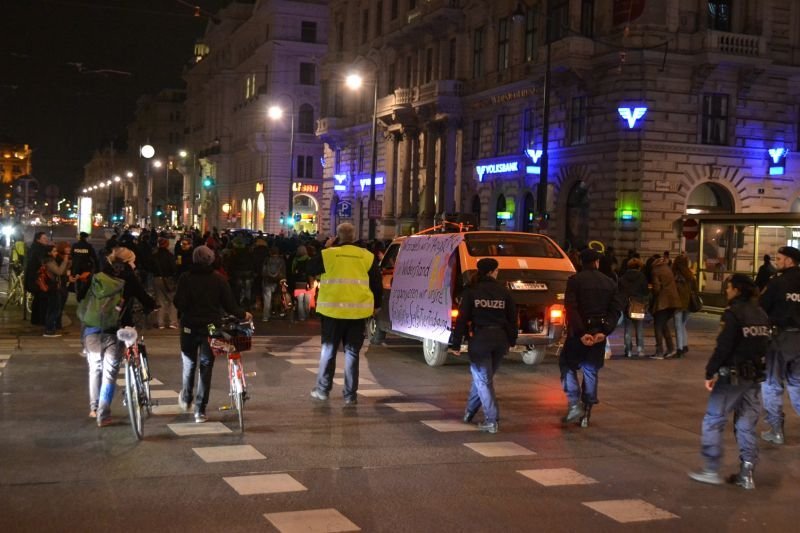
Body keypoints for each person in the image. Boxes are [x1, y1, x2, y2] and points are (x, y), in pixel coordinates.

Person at [689, 274, 769, 490]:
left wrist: (710, 372)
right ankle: (747, 472)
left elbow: (724, 346)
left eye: (729, 287)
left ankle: (711, 469)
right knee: (745, 424)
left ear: (737, 290)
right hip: (754, 377)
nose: (726, 291)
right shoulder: (760, 313)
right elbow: (765, 345)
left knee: (713, 419)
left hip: (733, 376)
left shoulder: (733, 314)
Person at [174, 245, 252, 423]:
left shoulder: (185, 278)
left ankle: (186, 397)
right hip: (210, 327)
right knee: (206, 366)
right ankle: (200, 410)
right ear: (211, 260)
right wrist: (243, 314)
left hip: (189, 326)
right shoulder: (218, 279)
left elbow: (178, 302)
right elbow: (230, 305)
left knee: (189, 363)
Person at [307, 222, 382, 405]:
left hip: (332, 312)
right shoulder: (367, 256)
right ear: (354, 236)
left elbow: (309, 268)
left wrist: (325, 247)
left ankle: (323, 390)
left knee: (329, 350)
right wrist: (377, 306)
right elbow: (376, 284)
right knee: (352, 353)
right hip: (357, 312)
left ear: (338, 236)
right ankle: (350, 395)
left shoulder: (329, 254)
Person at [81, 247, 157, 425]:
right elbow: (145, 298)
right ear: (128, 262)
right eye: (133, 261)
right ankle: (103, 414)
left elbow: (80, 295)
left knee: (95, 369)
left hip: (92, 328)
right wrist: (152, 305)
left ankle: (94, 408)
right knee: (109, 373)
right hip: (116, 330)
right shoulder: (129, 277)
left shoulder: (98, 275)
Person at [448, 258, 517, 433]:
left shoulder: (472, 291)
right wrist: (512, 340)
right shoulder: (504, 291)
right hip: (500, 339)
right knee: (483, 379)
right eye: (497, 270)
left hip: (480, 339)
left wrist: (456, 343)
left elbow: (462, 319)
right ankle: (469, 412)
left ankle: (491, 421)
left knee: (483, 380)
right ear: (492, 272)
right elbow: (512, 318)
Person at [560, 248, 624, 427]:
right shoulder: (609, 282)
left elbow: (571, 308)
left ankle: (574, 403)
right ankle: (587, 412)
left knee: (567, 365)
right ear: (597, 262)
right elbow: (615, 310)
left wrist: (581, 332)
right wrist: (605, 331)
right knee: (591, 370)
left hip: (579, 332)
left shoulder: (575, 281)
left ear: (581, 262)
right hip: (599, 332)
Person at [758, 245, 800, 445]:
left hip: (780, 340)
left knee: (771, 385)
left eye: (780, 259)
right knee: (797, 384)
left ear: (789, 261)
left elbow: (761, 308)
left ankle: (776, 430)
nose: (777, 262)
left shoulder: (777, 282)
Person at [617, 257, 649, 358]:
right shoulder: (642, 277)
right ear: (639, 267)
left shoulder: (623, 277)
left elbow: (620, 292)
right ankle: (640, 349)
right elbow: (645, 291)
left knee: (628, 328)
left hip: (627, 305)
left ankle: (628, 350)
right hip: (638, 305)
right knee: (639, 328)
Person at [650, 256, 681, 358]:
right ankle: (671, 349)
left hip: (663, 302)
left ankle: (659, 351)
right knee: (663, 325)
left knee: (658, 326)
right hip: (673, 301)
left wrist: (652, 292)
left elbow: (657, 288)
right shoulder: (667, 268)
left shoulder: (655, 271)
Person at [41, 244, 71, 337]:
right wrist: (65, 261)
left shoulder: (50, 260)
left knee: (53, 309)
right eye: (54, 251)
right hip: (52, 287)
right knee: (54, 309)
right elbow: (59, 272)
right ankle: (49, 330)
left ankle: (50, 328)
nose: (56, 253)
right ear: (49, 253)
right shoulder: (49, 262)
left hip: (53, 287)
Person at [672, 254, 698, 357]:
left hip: (678, 303)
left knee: (678, 326)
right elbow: (695, 289)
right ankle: (684, 345)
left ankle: (679, 349)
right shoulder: (690, 275)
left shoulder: (675, 276)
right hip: (689, 303)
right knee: (683, 325)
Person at [152, 237, 178, 329]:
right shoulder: (170, 256)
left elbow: (150, 266)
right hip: (168, 279)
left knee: (160, 301)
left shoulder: (154, 256)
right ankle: (173, 322)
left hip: (156, 279)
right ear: (167, 244)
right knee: (172, 301)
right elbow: (174, 268)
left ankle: (160, 323)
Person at [25, 231, 51, 326]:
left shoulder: (34, 248)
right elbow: (42, 262)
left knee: (38, 298)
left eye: (46, 238)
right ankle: (40, 320)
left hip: (33, 279)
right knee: (42, 299)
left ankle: (35, 319)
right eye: (44, 238)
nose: (46, 240)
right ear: (38, 239)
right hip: (38, 279)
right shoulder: (40, 250)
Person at [70, 231, 98, 301]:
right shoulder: (88, 246)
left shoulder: (75, 245)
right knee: (85, 282)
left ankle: (78, 296)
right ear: (86, 238)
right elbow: (94, 257)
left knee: (77, 282)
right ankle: (82, 296)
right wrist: (96, 267)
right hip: (85, 268)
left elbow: (72, 255)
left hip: (76, 267)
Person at [261, 246, 286, 321]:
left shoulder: (266, 260)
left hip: (267, 281)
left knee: (267, 300)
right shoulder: (281, 260)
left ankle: (265, 317)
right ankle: (277, 314)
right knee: (277, 298)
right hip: (277, 282)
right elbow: (283, 272)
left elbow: (263, 271)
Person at [290, 245, 312, 321]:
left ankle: (301, 317)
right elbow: (312, 272)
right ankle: (307, 315)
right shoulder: (309, 259)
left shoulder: (295, 260)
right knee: (307, 301)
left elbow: (292, 271)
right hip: (308, 282)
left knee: (300, 301)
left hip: (298, 282)